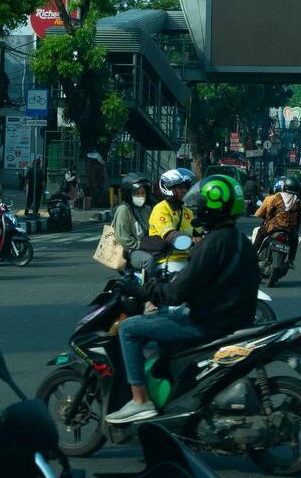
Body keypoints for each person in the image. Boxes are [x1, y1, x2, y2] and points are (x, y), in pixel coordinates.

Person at [105, 174, 260, 424]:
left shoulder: (211, 244)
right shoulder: (241, 241)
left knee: (129, 329)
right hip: (233, 319)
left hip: (208, 323)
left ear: (213, 207)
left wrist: (143, 290)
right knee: (168, 317)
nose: (195, 206)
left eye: (200, 202)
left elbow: (176, 292)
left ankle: (140, 401)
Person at [146, 168, 196, 266]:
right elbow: (169, 234)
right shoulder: (161, 209)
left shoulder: (187, 211)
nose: (184, 191)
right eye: (180, 188)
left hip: (187, 259)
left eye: (186, 188)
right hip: (166, 260)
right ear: (169, 189)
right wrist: (191, 240)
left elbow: (199, 231)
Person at [253, 176, 301, 268]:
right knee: (295, 239)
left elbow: (270, 211)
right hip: (289, 230)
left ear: (285, 187)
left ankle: (252, 253)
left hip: (274, 226)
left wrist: (268, 219)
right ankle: (290, 260)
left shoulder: (277, 197)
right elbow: (298, 219)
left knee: (260, 232)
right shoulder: (298, 201)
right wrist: (295, 230)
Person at [112, 173, 154, 255]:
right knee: (149, 261)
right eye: (137, 193)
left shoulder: (147, 209)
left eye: (143, 193)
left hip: (147, 246)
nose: (140, 196)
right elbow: (123, 238)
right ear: (129, 194)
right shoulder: (123, 210)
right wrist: (140, 246)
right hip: (131, 250)